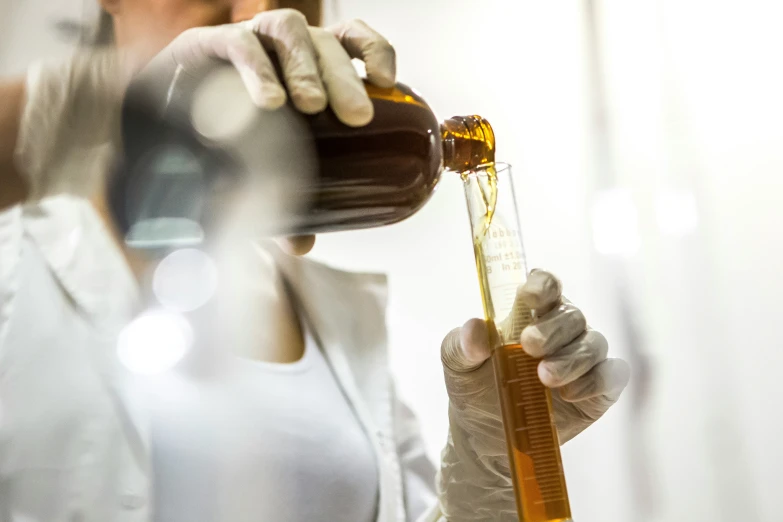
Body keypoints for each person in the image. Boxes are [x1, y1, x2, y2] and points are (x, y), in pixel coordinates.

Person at [0, 1, 631, 520]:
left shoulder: (339, 321)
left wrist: (490, 472)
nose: (254, 10)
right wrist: (119, 104)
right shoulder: (15, 254)